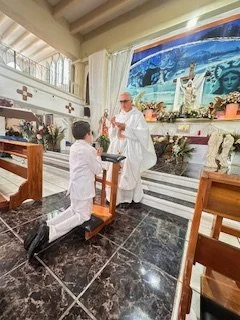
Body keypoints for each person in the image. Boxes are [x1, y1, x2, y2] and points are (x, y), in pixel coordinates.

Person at [24, 121, 103, 259]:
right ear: (87, 134)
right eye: (91, 133)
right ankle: (50, 233)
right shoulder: (89, 149)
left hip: (74, 187)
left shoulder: (73, 147)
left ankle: (47, 224)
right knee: (83, 216)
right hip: (84, 189)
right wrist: (98, 156)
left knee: (73, 209)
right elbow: (97, 169)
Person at [106, 92, 156, 209]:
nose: (123, 104)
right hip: (117, 147)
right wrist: (113, 126)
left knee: (127, 172)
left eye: (125, 101)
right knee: (114, 172)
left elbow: (143, 134)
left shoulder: (137, 115)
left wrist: (126, 128)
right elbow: (112, 136)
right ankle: (113, 197)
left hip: (130, 148)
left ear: (131, 101)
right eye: (121, 101)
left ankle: (125, 199)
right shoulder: (118, 116)